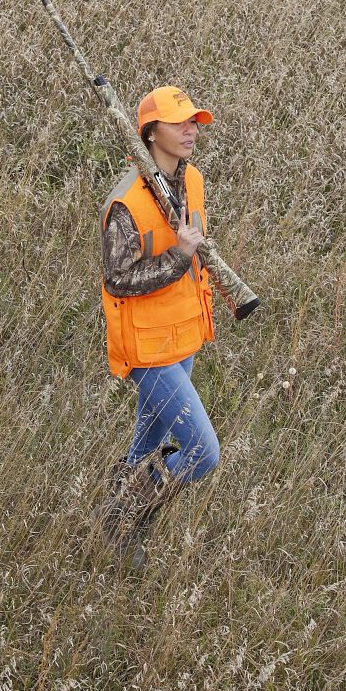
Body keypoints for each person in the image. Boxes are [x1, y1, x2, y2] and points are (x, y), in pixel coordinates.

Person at [95, 85, 224, 551]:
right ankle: (123, 509)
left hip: (183, 334)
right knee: (203, 452)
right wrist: (178, 257)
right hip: (148, 348)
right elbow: (117, 280)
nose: (192, 130)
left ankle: (122, 521)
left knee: (146, 444)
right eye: (180, 122)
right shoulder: (126, 203)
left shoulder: (192, 181)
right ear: (150, 134)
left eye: (194, 121)